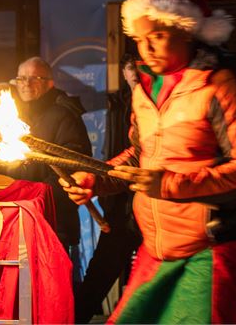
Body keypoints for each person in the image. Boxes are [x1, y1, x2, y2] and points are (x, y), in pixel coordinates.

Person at [60, 0, 236, 323]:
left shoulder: (220, 85)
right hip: (157, 248)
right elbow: (140, 156)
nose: (147, 47)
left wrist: (172, 185)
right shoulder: (145, 87)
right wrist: (99, 180)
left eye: (157, 34)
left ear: (184, 29)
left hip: (213, 248)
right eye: (140, 38)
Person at [75, 54, 142, 322]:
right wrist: (97, 180)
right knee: (102, 270)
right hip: (124, 204)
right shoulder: (126, 104)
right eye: (131, 83)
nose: (136, 90)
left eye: (138, 81)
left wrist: (162, 182)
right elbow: (136, 153)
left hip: (166, 216)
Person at [5, 56, 91, 251]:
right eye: (21, 78)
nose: (26, 84)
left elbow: (72, 166)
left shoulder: (64, 116)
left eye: (35, 78)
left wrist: (34, 197)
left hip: (54, 222)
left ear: (50, 83)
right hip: (19, 218)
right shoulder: (15, 116)